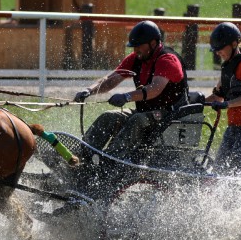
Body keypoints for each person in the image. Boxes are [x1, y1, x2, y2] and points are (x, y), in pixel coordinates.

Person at [73, 20, 189, 160]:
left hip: (170, 115)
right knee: (108, 116)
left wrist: (126, 97)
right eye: (134, 47)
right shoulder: (136, 58)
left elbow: (154, 89)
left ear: (153, 43)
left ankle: (110, 161)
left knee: (137, 120)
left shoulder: (167, 60)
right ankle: (80, 156)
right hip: (147, 113)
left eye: (138, 46)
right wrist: (89, 90)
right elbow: (111, 79)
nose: (135, 50)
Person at [205, 22, 241, 176]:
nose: (218, 53)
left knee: (233, 175)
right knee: (219, 172)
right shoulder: (226, 67)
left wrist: (227, 104)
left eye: (221, 48)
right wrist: (197, 102)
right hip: (232, 129)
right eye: (216, 50)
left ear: (235, 43)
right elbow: (218, 95)